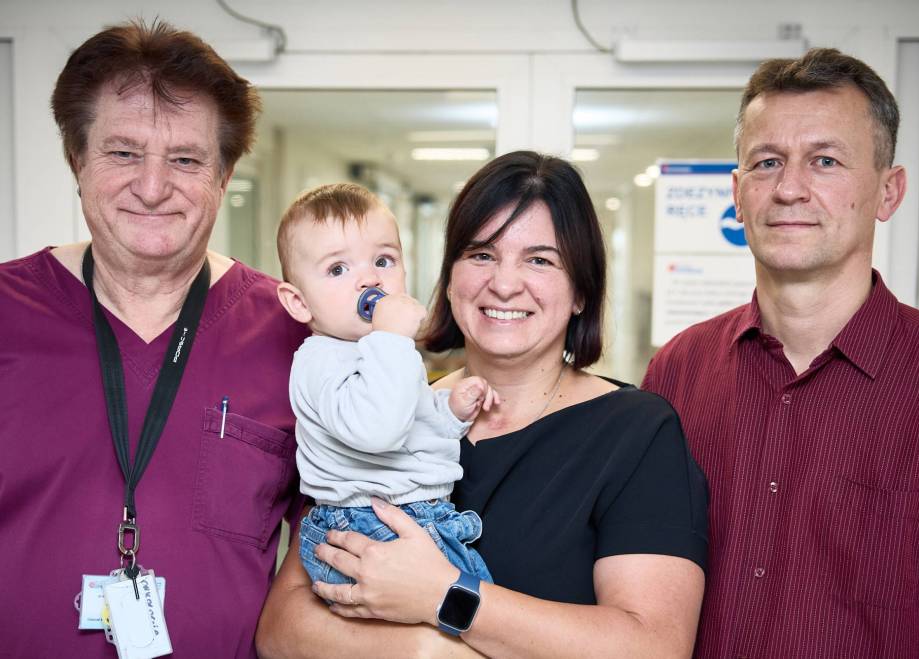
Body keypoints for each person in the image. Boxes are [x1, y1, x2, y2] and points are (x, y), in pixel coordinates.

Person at [257, 150, 708, 658]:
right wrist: (427, 651)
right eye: (481, 255)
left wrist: (444, 596)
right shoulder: (384, 406)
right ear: (450, 281)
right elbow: (280, 630)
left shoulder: (636, 432)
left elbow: (653, 647)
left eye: (539, 260)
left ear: (581, 290)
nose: (505, 284)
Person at [0, 20, 307, 656]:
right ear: (77, 160)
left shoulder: (293, 333)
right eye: (123, 153)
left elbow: (334, 561)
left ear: (224, 176)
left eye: (186, 160)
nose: (151, 187)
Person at [642, 48, 919, 657]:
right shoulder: (677, 371)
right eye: (767, 162)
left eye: (825, 161)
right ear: (738, 194)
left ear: (888, 192)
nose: (789, 189)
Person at [274, 183, 496, 593]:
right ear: (299, 302)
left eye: (383, 260)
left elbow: (409, 422)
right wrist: (391, 339)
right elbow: (378, 431)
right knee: (474, 607)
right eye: (337, 269)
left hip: (409, 514)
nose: (370, 279)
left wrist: (448, 412)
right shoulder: (322, 360)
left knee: (479, 606)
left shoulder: (383, 350)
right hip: (367, 523)